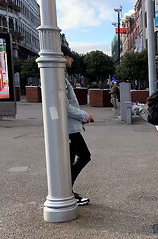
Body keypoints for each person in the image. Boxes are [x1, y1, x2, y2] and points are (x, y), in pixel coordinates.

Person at [62, 45, 94, 206]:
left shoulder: (61, 75)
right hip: (69, 130)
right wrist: (84, 115)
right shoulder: (58, 76)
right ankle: (66, 190)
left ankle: (67, 190)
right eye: (69, 56)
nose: (72, 59)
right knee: (84, 156)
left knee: (72, 160)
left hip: (70, 127)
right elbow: (65, 106)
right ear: (63, 57)